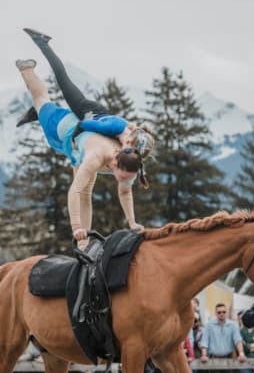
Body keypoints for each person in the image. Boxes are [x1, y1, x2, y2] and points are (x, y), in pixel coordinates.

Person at [15, 55, 148, 245]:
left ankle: (84, 246)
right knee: (41, 99)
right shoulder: (96, 157)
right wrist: (76, 227)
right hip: (61, 126)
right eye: (124, 177)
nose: (125, 181)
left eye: (128, 179)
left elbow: (125, 193)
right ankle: (26, 68)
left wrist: (133, 223)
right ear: (116, 163)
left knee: (88, 193)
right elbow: (73, 192)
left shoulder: (131, 163)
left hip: (81, 140)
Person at [16, 28, 154, 159]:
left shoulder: (127, 134)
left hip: (99, 113)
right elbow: (83, 125)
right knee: (62, 78)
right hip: (87, 109)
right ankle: (42, 42)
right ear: (129, 140)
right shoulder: (116, 128)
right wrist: (74, 142)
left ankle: (36, 113)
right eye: (129, 150)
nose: (128, 153)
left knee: (62, 83)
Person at [200, 303, 246, 373]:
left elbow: (238, 340)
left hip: (228, 359)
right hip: (213, 359)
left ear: (226, 313)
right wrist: (204, 355)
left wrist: (241, 353)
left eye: (224, 312)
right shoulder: (209, 325)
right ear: (216, 313)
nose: (221, 314)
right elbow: (204, 341)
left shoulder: (233, 325)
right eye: (219, 312)